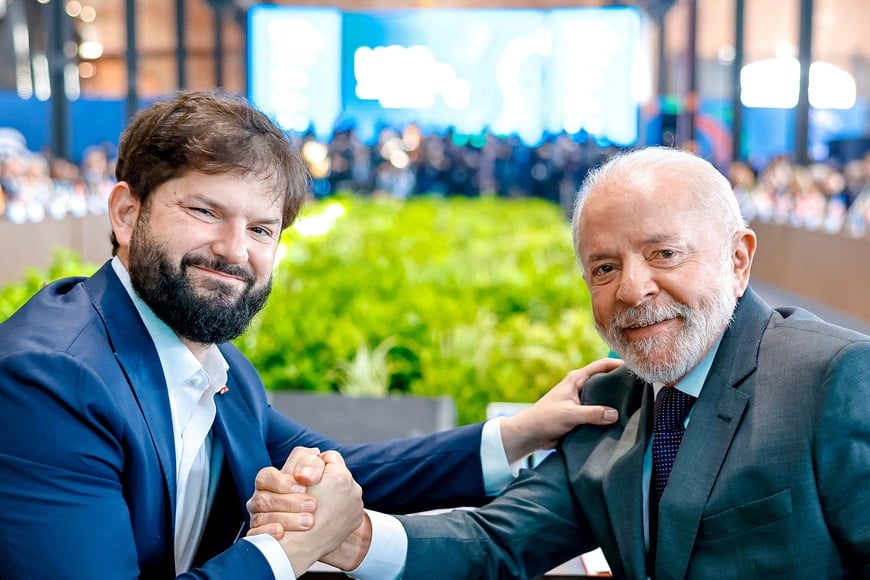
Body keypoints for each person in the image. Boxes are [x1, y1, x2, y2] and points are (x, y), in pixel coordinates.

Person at [0, 90, 621, 579]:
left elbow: (345, 472)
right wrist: (286, 553)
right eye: (205, 211)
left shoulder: (218, 369)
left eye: (261, 229)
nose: (233, 250)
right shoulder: (52, 377)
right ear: (127, 214)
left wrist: (521, 432)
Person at [252, 146, 870, 578]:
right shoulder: (616, 403)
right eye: (604, 268)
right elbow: (497, 542)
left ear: (739, 259)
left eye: (664, 254)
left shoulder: (834, 379)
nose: (632, 290)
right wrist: (350, 535)